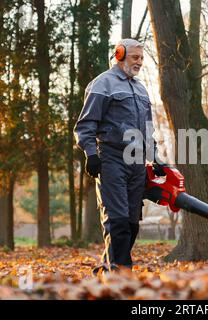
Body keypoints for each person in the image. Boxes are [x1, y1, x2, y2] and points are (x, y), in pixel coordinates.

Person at [74, 38, 164, 274]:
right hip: (112, 157)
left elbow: (147, 130)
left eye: (142, 58)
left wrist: (155, 158)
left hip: (135, 160)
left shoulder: (141, 89)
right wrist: (91, 154)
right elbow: (85, 124)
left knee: (132, 224)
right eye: (135, 57)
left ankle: (108, 268)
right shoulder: (103, 84)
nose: (139, 62)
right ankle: (121, 276)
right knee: (118, 221)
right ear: (120, 54)